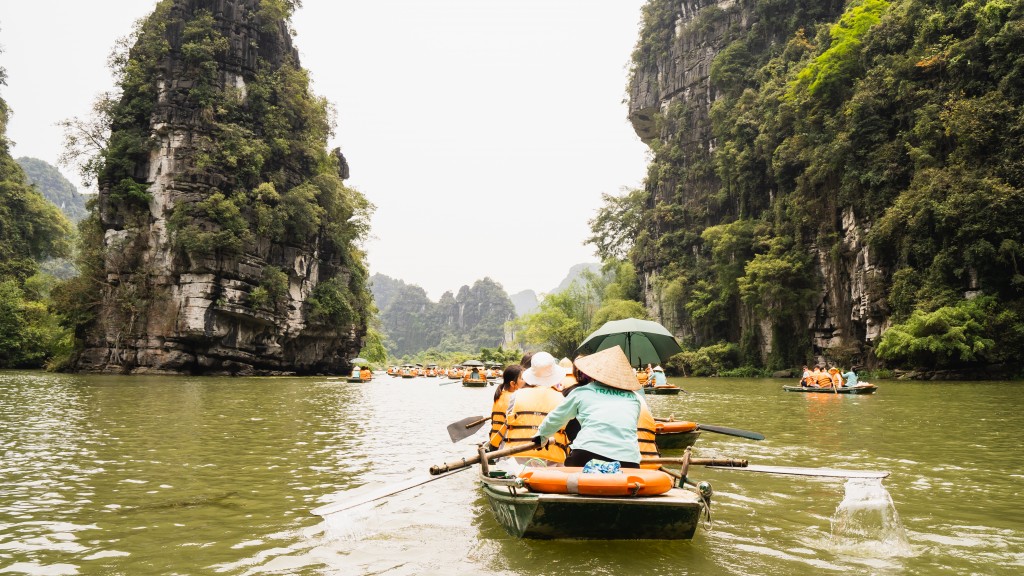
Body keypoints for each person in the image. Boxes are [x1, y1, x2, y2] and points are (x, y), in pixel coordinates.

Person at [534, 346, 643, 468]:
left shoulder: (582, 392)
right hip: (629, 461)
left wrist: (541, 436)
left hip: (586, 454)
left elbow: (556, 418)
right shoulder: (634, 399)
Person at [503, 351, 569, 464]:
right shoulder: (561, 398)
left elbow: (508, 423)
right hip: (551, 461)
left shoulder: (516, 395)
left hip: (517, 459)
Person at [488, 364, 523, 450]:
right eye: (522, 379)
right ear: (513, 383)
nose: (525, 381)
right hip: (504, 444)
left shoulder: (500, 395)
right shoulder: (514, 397)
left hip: (495, 441)